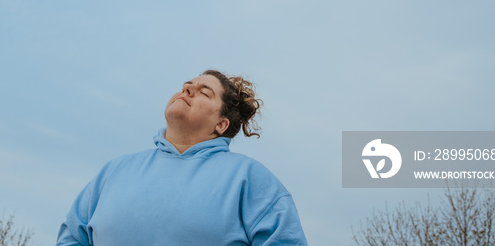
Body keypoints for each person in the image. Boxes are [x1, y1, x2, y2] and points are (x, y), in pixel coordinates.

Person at [56, 69, 309, 246]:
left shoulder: (251, 179)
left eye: (204, 92)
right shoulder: (113, 172)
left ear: (221, 123)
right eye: (187, 86)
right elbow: (72, 239)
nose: (187, 89)